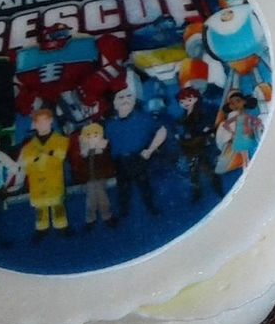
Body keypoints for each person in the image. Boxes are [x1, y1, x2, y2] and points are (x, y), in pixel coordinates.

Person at [104, 83, 166, 219]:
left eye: (128, 96)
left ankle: (151, 208)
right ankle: (124, 213)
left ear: (134, 100)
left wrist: (150, 150)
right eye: (121, 97)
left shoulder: (144, 118)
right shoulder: (109, 124)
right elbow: (107, 142)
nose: (125, 100)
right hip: (119, 162)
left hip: (137, 158)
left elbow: (162, 130)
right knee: (123, 189)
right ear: (114, 103)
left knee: (144, 186)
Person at [19, 107, 73, 241]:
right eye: (39, 122)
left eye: (45, 120)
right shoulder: (28, 145)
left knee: (58, 205)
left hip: (54, 180)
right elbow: (27, 161)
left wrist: (38, 158)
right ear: (35, 124)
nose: (42, 124)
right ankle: (41, 228)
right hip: (37, 183)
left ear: (51, 121)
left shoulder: (61, 140)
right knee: (40, 208)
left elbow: (60, 155)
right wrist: (48, 155)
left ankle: (62, 226)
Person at [175, 86, 224, 203]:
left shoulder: (203, 112)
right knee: (193, 172)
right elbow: (182, 129)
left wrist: (204, 132)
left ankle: (218, 190)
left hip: (202, 146)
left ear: (196, 99)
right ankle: (197, 194)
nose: (185, 103)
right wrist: (181, 136)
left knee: (207, 169)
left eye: (189, 100)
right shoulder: (183, 116)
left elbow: (208, 126)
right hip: (190, 147)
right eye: (182, 102)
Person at [76, 122, 116, 229]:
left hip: (100, 178)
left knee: (97, 196)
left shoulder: (103, 149)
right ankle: (104, 217)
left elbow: (107, 163)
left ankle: (95, 218)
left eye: (95, 135)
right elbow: (81, 166)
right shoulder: (84, 151)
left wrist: (100, 150)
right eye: (89, 136)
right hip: (89, 179)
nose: (92, 139)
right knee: (94, 197)